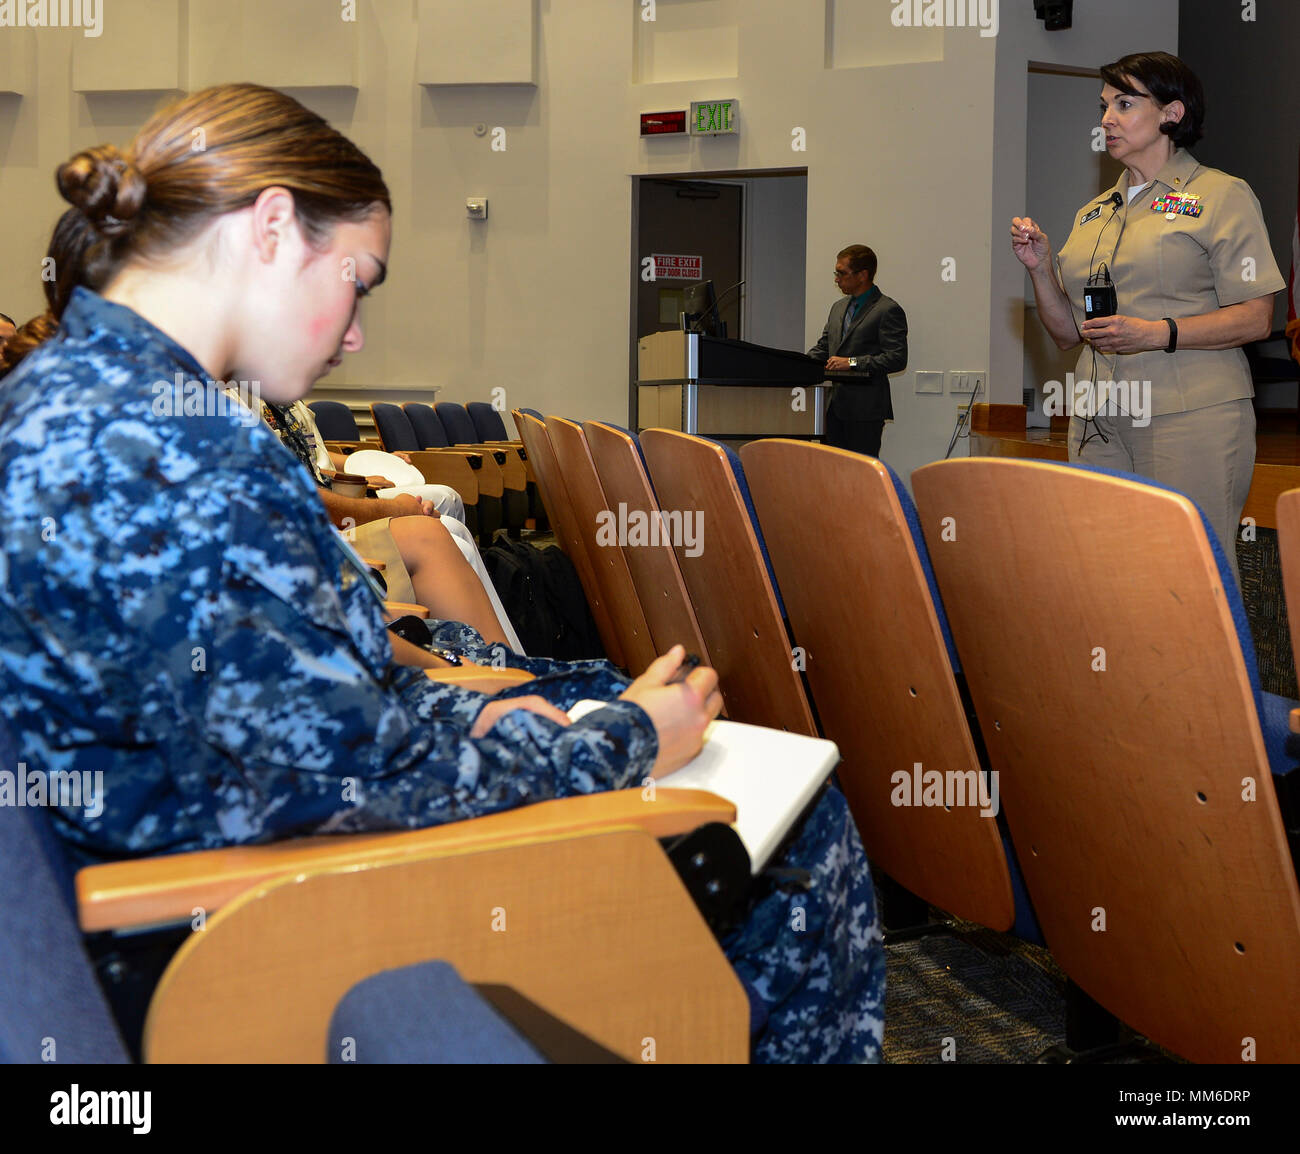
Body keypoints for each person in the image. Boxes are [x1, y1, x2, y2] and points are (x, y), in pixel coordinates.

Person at [0, 83, 883, 1062]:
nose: (358, 330)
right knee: (794, 829)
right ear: (273, 226)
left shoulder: (72, 396)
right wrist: (623, 740)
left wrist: (488, 716)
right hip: (248, 932)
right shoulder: (175, 451)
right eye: (359, 278)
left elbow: (293, 726)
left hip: (214, 876)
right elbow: (345, 783)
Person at [1012, 51, 1283, 588]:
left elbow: (1256, 317)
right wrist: (1041, 271)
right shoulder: (1094, 215)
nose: (1106, 118)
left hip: (1190, 418)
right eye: (1104, 106)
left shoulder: (1220, 196)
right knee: (1104, 576)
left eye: (1124, 103)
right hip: (1098, 421)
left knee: (1188, 576)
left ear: (1172, 114)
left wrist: (1156, 333)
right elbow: (1068, 335)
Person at [808, 244, 909, 458]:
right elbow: (824, 348)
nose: (837, 279)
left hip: (865, 411)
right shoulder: (837, 307)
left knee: (860, 476)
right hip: (833, 408)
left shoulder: (887, 309)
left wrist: (852, 362)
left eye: (841, 273)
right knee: (832, 472)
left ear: (863, 275)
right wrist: (796, 364)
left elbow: (896, 358)